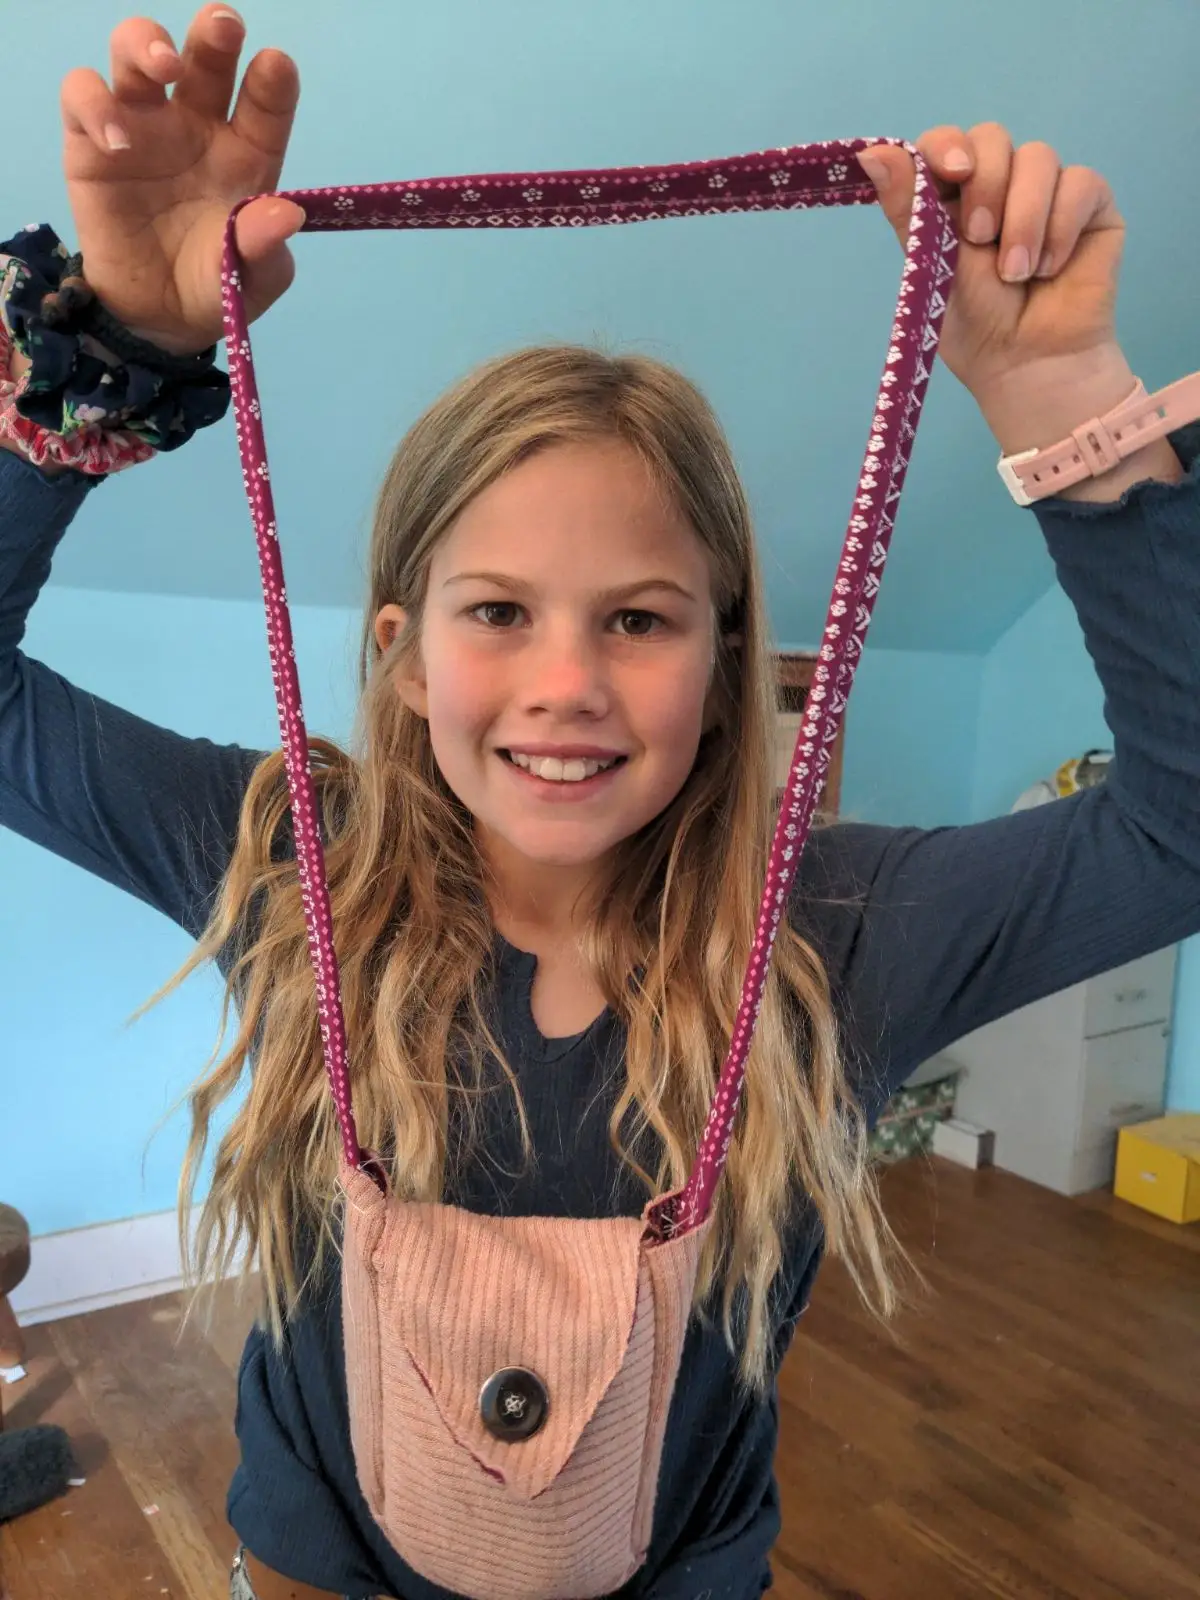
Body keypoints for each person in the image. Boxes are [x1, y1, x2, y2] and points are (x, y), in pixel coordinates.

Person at [2, 6, 1197, 1598]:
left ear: (723, 660)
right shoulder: (297, 862)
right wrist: (129, 352)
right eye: (498, 612)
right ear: (403, 657)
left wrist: (1059, 394)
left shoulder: (843, 933)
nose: (568, 682)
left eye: (639, 619)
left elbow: (1176, 829)